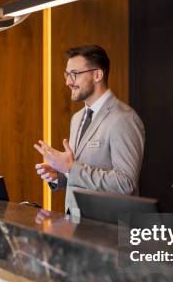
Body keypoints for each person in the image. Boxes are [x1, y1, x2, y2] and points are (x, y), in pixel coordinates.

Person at [34, 45, 145, 215]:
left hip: (108, 230)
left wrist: (71, 168)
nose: (68, 82)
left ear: (97, 75)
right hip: (77, 223)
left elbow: (125, 183)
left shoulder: (124, 118)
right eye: (67, 74)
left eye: (74, 74)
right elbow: (80, 172)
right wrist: (61, 175)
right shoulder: (78, 118)